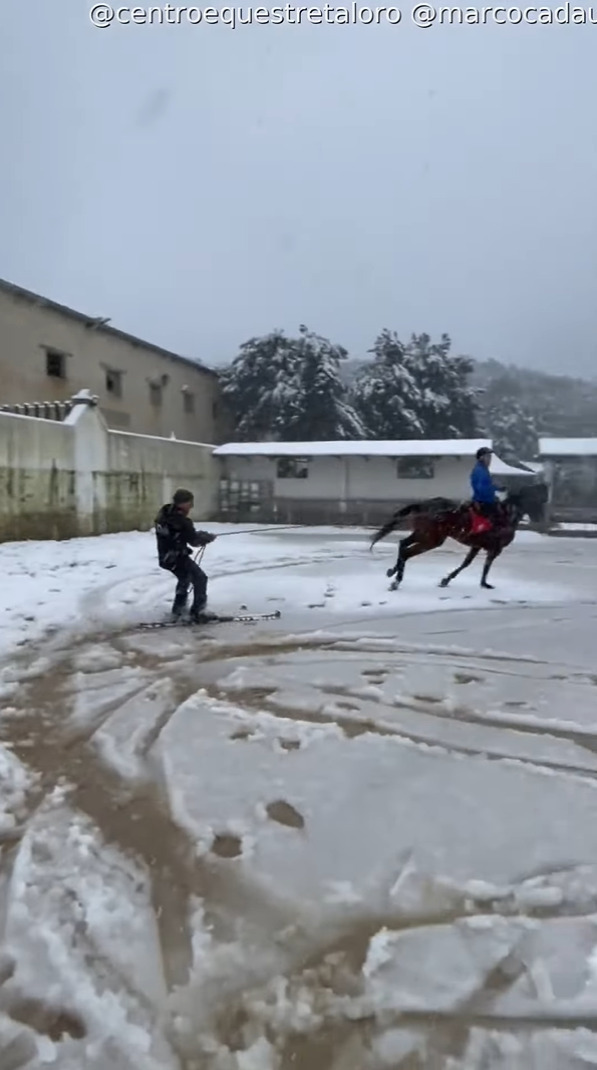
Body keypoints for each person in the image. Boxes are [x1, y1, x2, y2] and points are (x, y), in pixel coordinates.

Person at [155, 489, 216, 622]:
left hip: (165, 556)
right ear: (184, 503)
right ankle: (198, 611)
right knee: (200, 578)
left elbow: (181, 533)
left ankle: (178, 611)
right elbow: (193, 540)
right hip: (176, 557)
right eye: (190, 503)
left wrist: (197, 535)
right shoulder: (181, 521)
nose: (191, 507)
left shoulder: (165, 513)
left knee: (184, 579)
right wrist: (205, 538)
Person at [470, 447, 503, 525]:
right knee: (498, 520)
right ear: (481, 458)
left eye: (490, 457)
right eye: (488, 457)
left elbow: (487, 484)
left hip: (485, 500)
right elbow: (482, 488)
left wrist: (498, 487)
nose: (490, 459)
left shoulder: (483, 469)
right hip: (484, 502)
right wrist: (494, 489)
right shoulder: (480, 470)